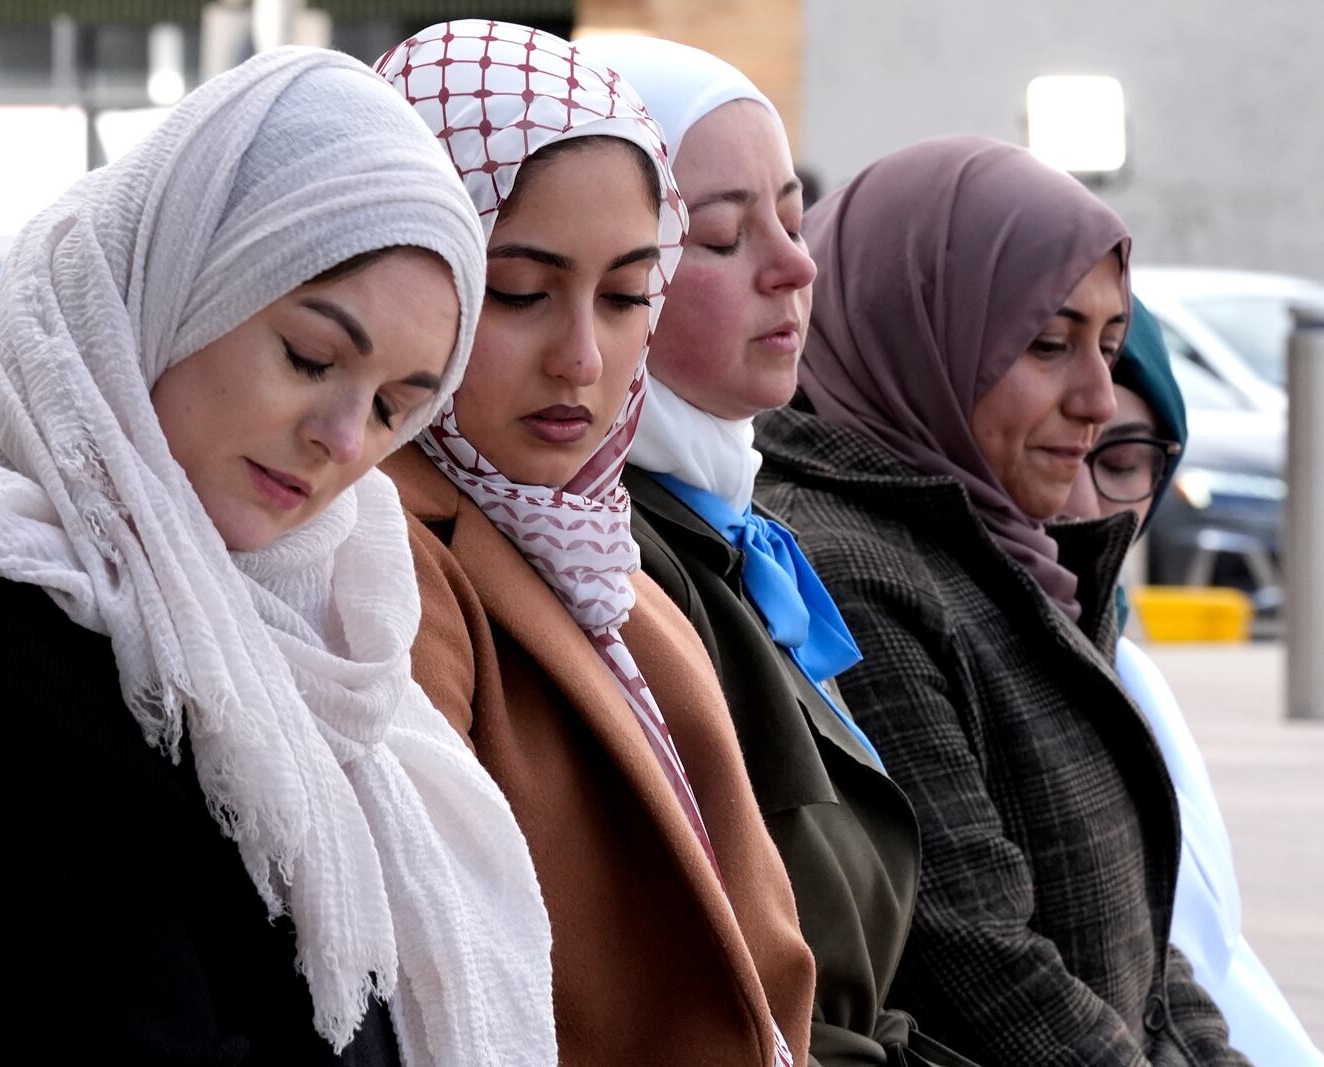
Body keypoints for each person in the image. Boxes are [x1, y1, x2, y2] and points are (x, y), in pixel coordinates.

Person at [0, 48, 555, 1065]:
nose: (347, 439)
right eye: (311, 356)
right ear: (177, 282)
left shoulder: (320, 626)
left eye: (399, 403)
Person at [754, 135, 1250, 1066]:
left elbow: (1141, 947)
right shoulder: (851, 572)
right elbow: (981, 962)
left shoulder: (1018, 549)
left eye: (1109, 346)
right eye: (1049, 345)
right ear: (917, 332)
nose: (1099, 399)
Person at [377, 21, 816, 1067]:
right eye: (520, 293)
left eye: (628, 296)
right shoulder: (385, 556)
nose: (582, 357)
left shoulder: (587, 542)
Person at [576, 36, 979, 1067]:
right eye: (719, 237)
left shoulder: (731, 524)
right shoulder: (602, 552)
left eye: (793, 217)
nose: (796, 264)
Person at [1062, 299, 1324, 1067]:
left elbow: (1191, 957)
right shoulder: (895, 617)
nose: (1081, 503)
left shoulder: (1121, 662)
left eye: (1119, 464)